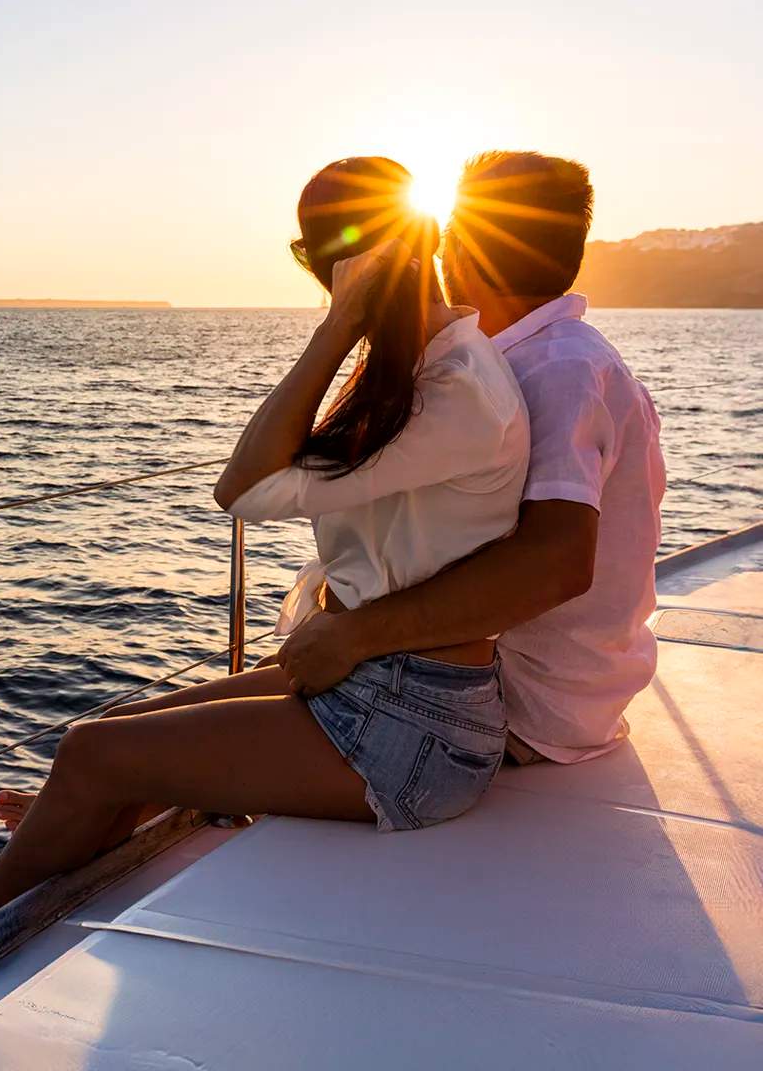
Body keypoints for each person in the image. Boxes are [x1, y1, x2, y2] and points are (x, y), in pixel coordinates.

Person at [0, 156, 529, 936]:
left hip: (415, 732)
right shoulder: (426, 366)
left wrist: (338, 325)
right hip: (381, 688)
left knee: (90, 755)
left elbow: (240, 490)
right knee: (116, 748)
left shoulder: (453, 389)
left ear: (321, 266)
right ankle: (64, 854)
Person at [275, 151, 666, 768]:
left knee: (133, 754)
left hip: (516, 703)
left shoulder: (558, 370)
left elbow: (557, 562)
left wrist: (356, 635)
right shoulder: (536, 358)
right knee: (146, 734)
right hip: (508, 682)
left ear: (462, 247)